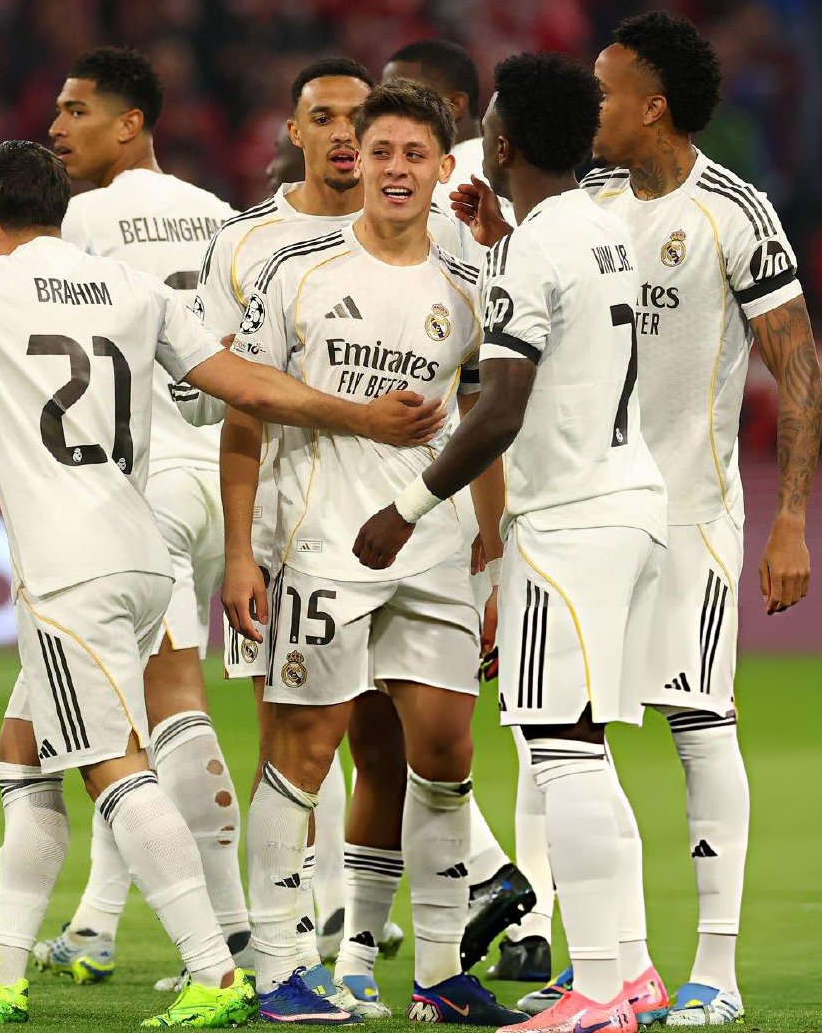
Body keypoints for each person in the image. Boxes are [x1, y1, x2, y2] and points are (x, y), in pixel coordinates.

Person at [0, 138, 447, 1027]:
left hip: (68, 569)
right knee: (25, 752)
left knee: (111, 767)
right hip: (140, 553)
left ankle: (215, 969)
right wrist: (359, 416)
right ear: (60, 209)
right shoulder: (133, 290)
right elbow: (245, 388)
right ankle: (1, 969)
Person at [497, 12, 821, 1026]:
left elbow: (799, 374)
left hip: (692, 513)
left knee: (698, 721)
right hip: (593, 509)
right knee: (564, 731)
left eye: (606, 87)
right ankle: (608, 961)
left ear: (654, 106)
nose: (590, 103)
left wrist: (791, 520)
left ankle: (715, 970)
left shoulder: (734, 211)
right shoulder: (585, 207)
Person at [199, 59, 528, 1020]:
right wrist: (238, 552)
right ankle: (276, 969)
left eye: (413, 153)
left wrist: (492, 548)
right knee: (302, 754)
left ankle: (438, 976)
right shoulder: (297, 270)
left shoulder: (470, 284)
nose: (394, 167)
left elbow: (485, 421)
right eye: (380, 150)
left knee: (446, 756)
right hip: (321, 549)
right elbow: (243, 414)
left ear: (442, 168)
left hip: (434, 548)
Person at [355, 52, 670, 1033]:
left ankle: (598, 991)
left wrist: (405, 508)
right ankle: (631, 972)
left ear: (499, 145)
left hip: (569, 522)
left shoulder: (538, 248)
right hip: (629, 504)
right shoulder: (597, 228)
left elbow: (497, 410)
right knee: (586, 754)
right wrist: (499, 244)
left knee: (559, 752)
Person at [0, 45, 250, 989]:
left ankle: (227, 947)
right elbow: (230, 364)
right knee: (50, 734)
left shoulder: (71, 229)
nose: (57, 128)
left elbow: (38, 363)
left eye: (76, 111)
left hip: (121, 497)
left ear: (130, 122)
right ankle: (66, 937)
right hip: (217, 469)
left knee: (136, 729)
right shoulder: (222, 217)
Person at [383, 39, 516, 226]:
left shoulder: (434, 180)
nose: (385, 113)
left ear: (454, 105)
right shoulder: (518, 167)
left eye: (402, 99)